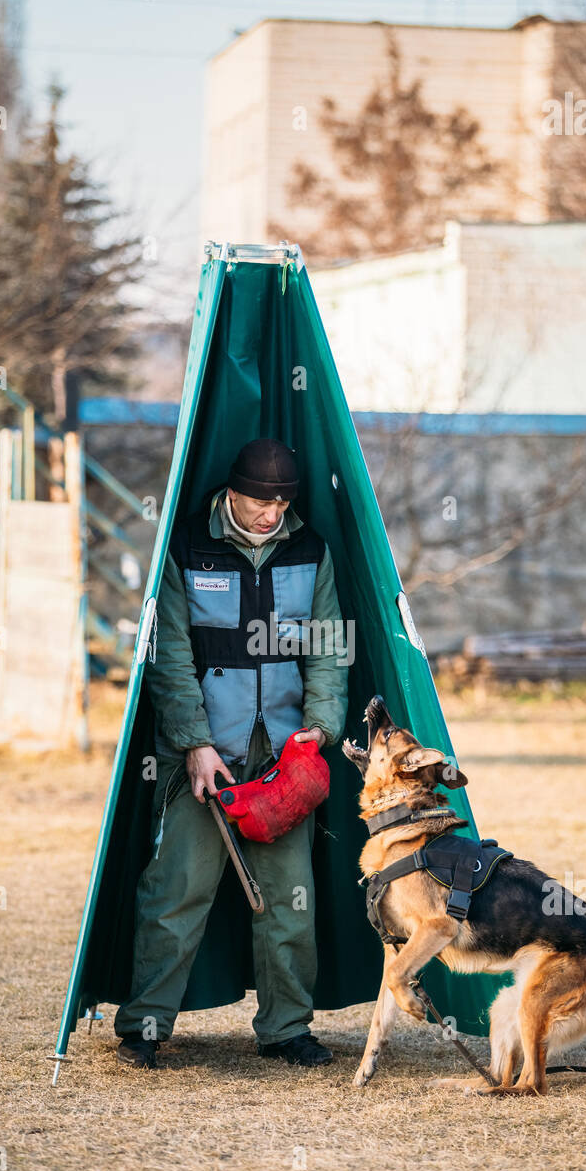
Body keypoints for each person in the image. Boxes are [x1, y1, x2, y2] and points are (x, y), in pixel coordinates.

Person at [114, 438, 348, 1069]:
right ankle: (144, 1026)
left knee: (290, 900)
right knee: (177, 892)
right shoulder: (186, 547)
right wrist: (193, 745)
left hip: (284, 757)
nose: (271, 514)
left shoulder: (312, 550)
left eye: (280, 503)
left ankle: (286, 1030)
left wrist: (319, 730)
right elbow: (170, 659)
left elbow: (329, 649)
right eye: (258, 502)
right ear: (230, 493)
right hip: (208, 756)